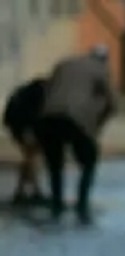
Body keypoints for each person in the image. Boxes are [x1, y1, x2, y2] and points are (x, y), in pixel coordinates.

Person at [33, 45, 116, 221]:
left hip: (47, 118)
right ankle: (82, 204)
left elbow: (47, 90)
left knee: (55, 164)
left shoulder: (64, 64)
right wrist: (96, 127)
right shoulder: (101, 70)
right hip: (75, 120)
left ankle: (57, 204)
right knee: (89, 161)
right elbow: (112, 104)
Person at [2, 76, 48, 205]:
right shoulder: (38, 95)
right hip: (24, 127)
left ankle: (26, 191)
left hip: (16, 125)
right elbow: (32, 115)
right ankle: (26, 191)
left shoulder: (25, 92)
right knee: (31, 158)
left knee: (30, 157)